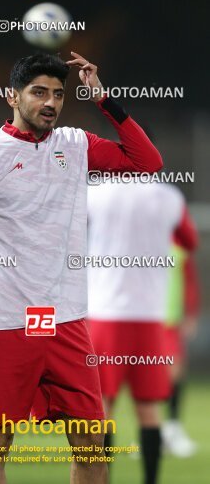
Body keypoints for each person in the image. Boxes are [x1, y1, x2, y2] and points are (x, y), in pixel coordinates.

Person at [0, 51, 163, 484]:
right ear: (11, 97)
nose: (50, 102)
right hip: (3, 323)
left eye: (58, 94)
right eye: (38, 93)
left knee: (92, 442)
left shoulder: (74, 144)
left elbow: (148, 162)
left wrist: (104, 100)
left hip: (66, 321)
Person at [87, 179, 198, 484]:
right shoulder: (168, 196)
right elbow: (189, 241)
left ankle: (99, 479)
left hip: (104, 314)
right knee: (149, 409)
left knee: (103, 408)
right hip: (149, 318)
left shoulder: (93, 192)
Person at [162, 238, 200, 457]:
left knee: (175, 373)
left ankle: (173, 428)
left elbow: (190, 280)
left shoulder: (178, 245)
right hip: (140, 320)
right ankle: (150, 433)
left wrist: (191, 313)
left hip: (169, 322)